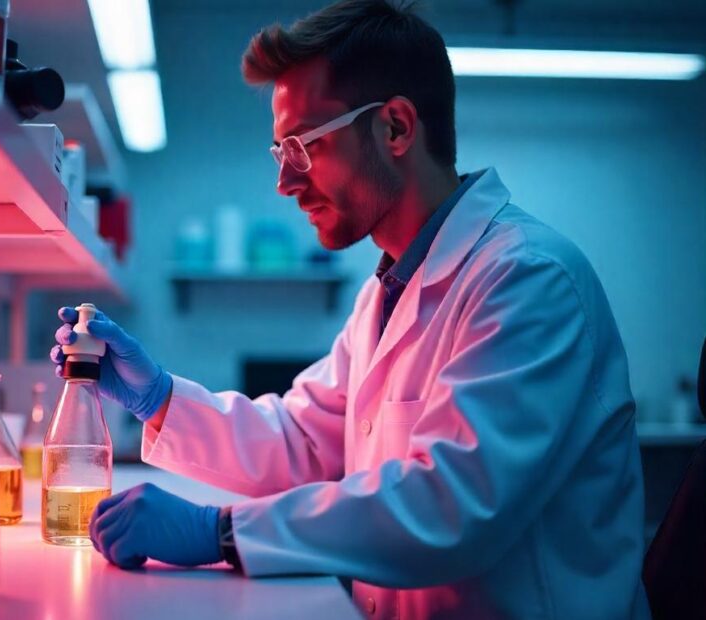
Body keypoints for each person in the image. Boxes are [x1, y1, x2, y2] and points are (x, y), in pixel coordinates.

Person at [50, 1, 650, 617]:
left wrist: (220, 531)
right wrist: (159, 398)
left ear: (396, 128)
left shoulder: (527, 278)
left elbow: (452, 506)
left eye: (303, 146)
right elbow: (304, 440)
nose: (285, 182)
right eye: (280, 152)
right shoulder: (387, 291)